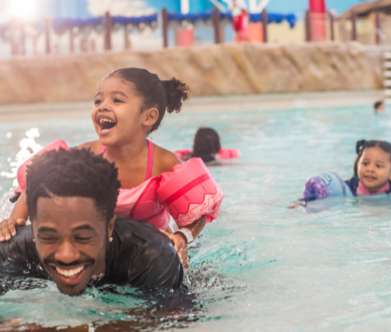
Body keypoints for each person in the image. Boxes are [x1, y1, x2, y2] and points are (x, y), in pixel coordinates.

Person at [0, 68, 223, 266]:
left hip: (144, 253)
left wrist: (182, 237)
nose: (103, 107)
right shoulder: (86, 155)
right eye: (98, 101)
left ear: (148, 116)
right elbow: (38, 178)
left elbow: (196, 214)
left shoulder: (163, 164)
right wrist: (13, 222)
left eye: (117, 100)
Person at [0, 148, 183, 296]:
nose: (66, 256)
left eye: (83, 237)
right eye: (49, 237)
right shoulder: (12, 252)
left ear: (109, 227)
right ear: (34, 229)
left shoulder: (151, 257)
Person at [298, 139, 391, 205]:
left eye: (378, 166)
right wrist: (301, 203)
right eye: (365, 163)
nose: (370, 169)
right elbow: (313, 197)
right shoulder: (347, 188)